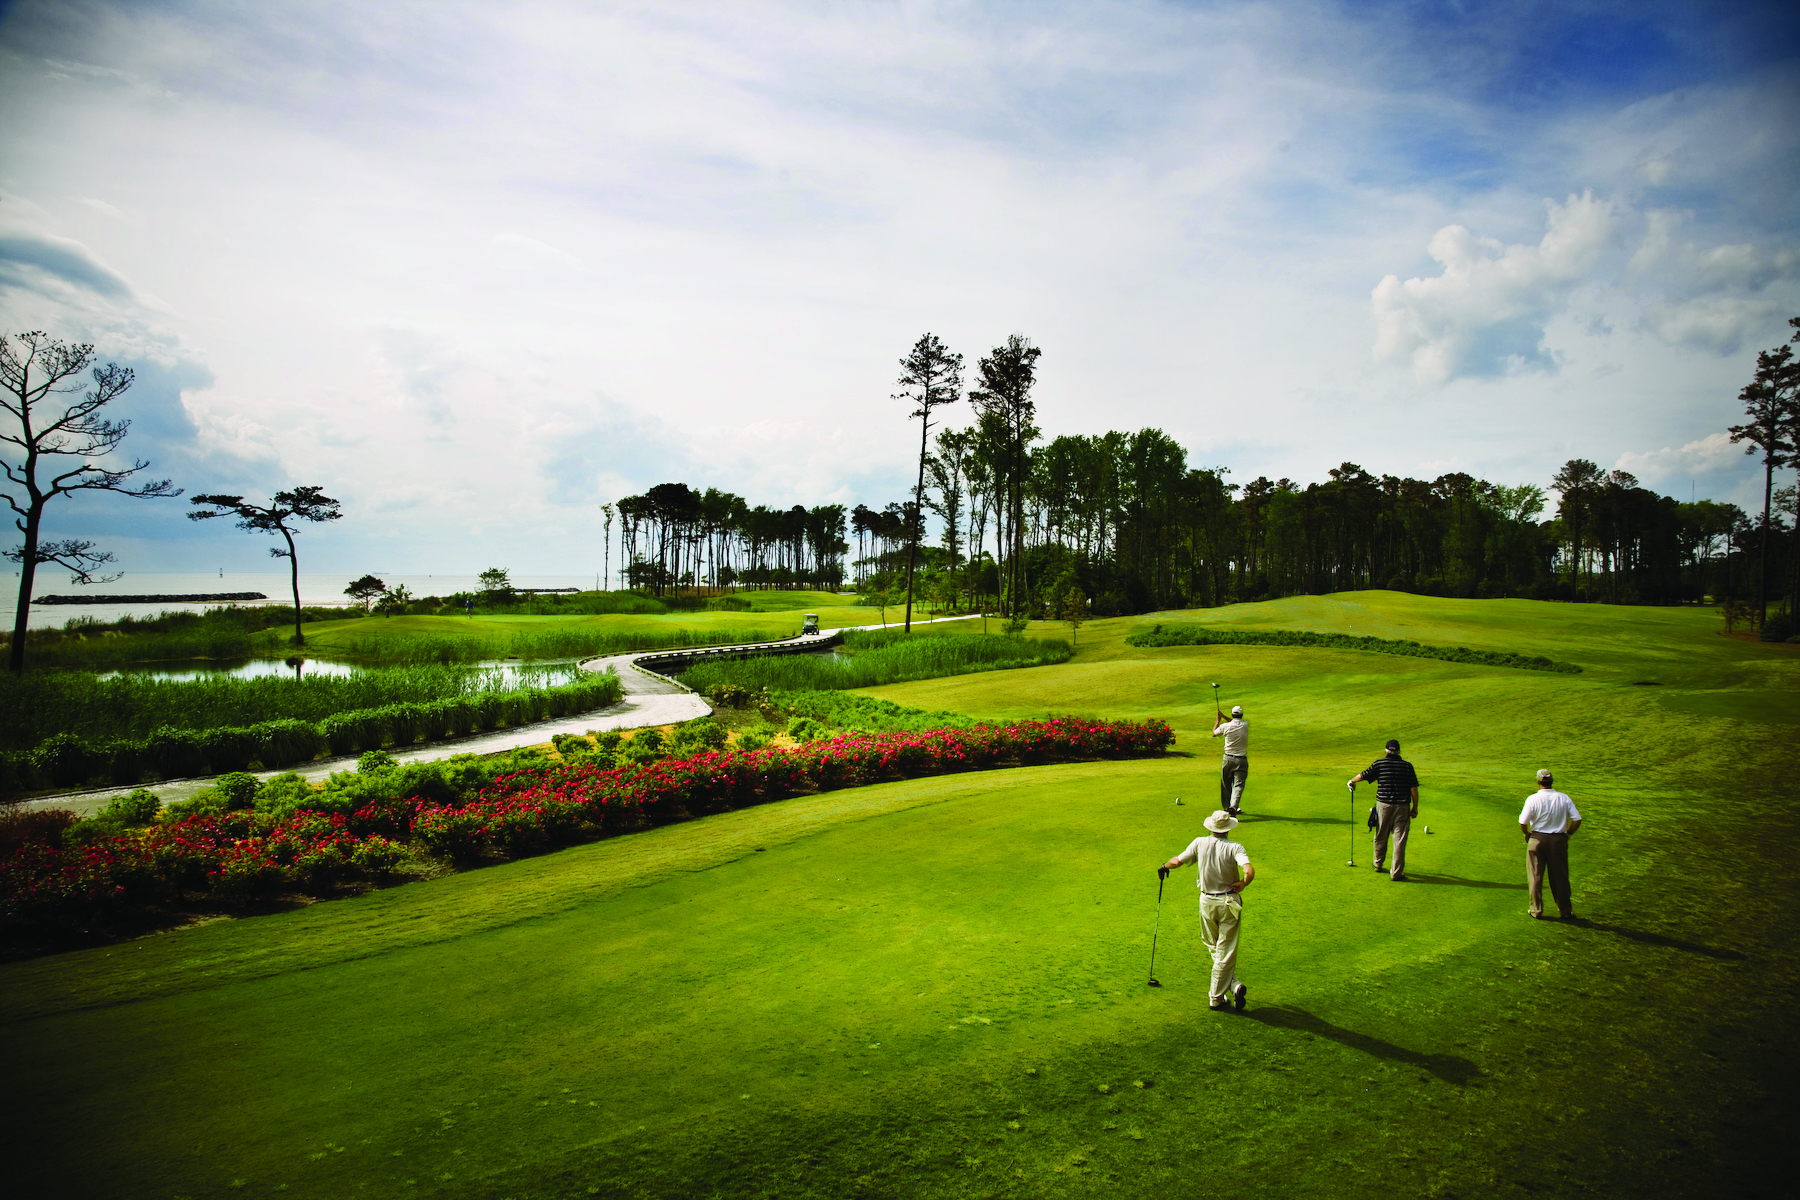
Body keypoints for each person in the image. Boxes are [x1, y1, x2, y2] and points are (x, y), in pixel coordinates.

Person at [1160, 809, 1256, 1012]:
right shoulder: (1235, 847)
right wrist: (1243, 883)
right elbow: (1249, 870)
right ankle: (1220, 995)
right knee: (1224, 950)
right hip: (1229, 902)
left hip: (1206, 902)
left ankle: (1228, 990)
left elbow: (1177, 861)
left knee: (1214, 946)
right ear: (1228, 829)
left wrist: (1164, 866)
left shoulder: (1199, 843)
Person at [1347, 738, 1419, 881]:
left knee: (1381, 835)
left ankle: (1378, 863)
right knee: (1399, 840)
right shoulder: (1407, 766)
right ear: (1399, 751)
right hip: (1402, 806)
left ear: (1386, 751)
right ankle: (1396, 873)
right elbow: (1413, 789)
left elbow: (1364, 775)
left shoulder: (1380, 764)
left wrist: (1352, 781)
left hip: (1383, 805)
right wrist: (1415, 807)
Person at [1520, 768, 1582, 920]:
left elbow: (1522, 822)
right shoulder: (1563, 798)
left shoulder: (1532, 799)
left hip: (1537, 839)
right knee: (1560, 876)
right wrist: (1568, 834)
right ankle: (1565, 911)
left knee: (1535, 876)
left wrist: (1526, 833)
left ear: (1538, 782)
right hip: (1558, 840)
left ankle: (1536, 910)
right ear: (1551, 781)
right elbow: (1577, 819)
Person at [1212, 703, 1249, 816]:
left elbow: (1214, 733)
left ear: (1232, 715)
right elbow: (1234, 721)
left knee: (1226, 784)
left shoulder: (1225, 726)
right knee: (1238, 785)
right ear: (1241, 715)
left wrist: (1218, 720)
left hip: (1228, 759)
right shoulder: (1245, 724)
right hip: (1241, 760)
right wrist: (1224, 717)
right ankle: (1233, 807)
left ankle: (1227, 808)